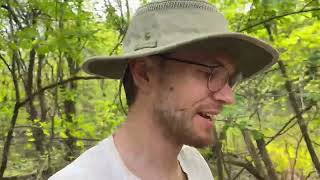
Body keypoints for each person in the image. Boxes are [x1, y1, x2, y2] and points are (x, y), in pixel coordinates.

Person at [49, 0, 278, 179]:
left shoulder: (195, 166)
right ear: (144, 73)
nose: (228, 97)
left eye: (230, 79)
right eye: (211, 73)